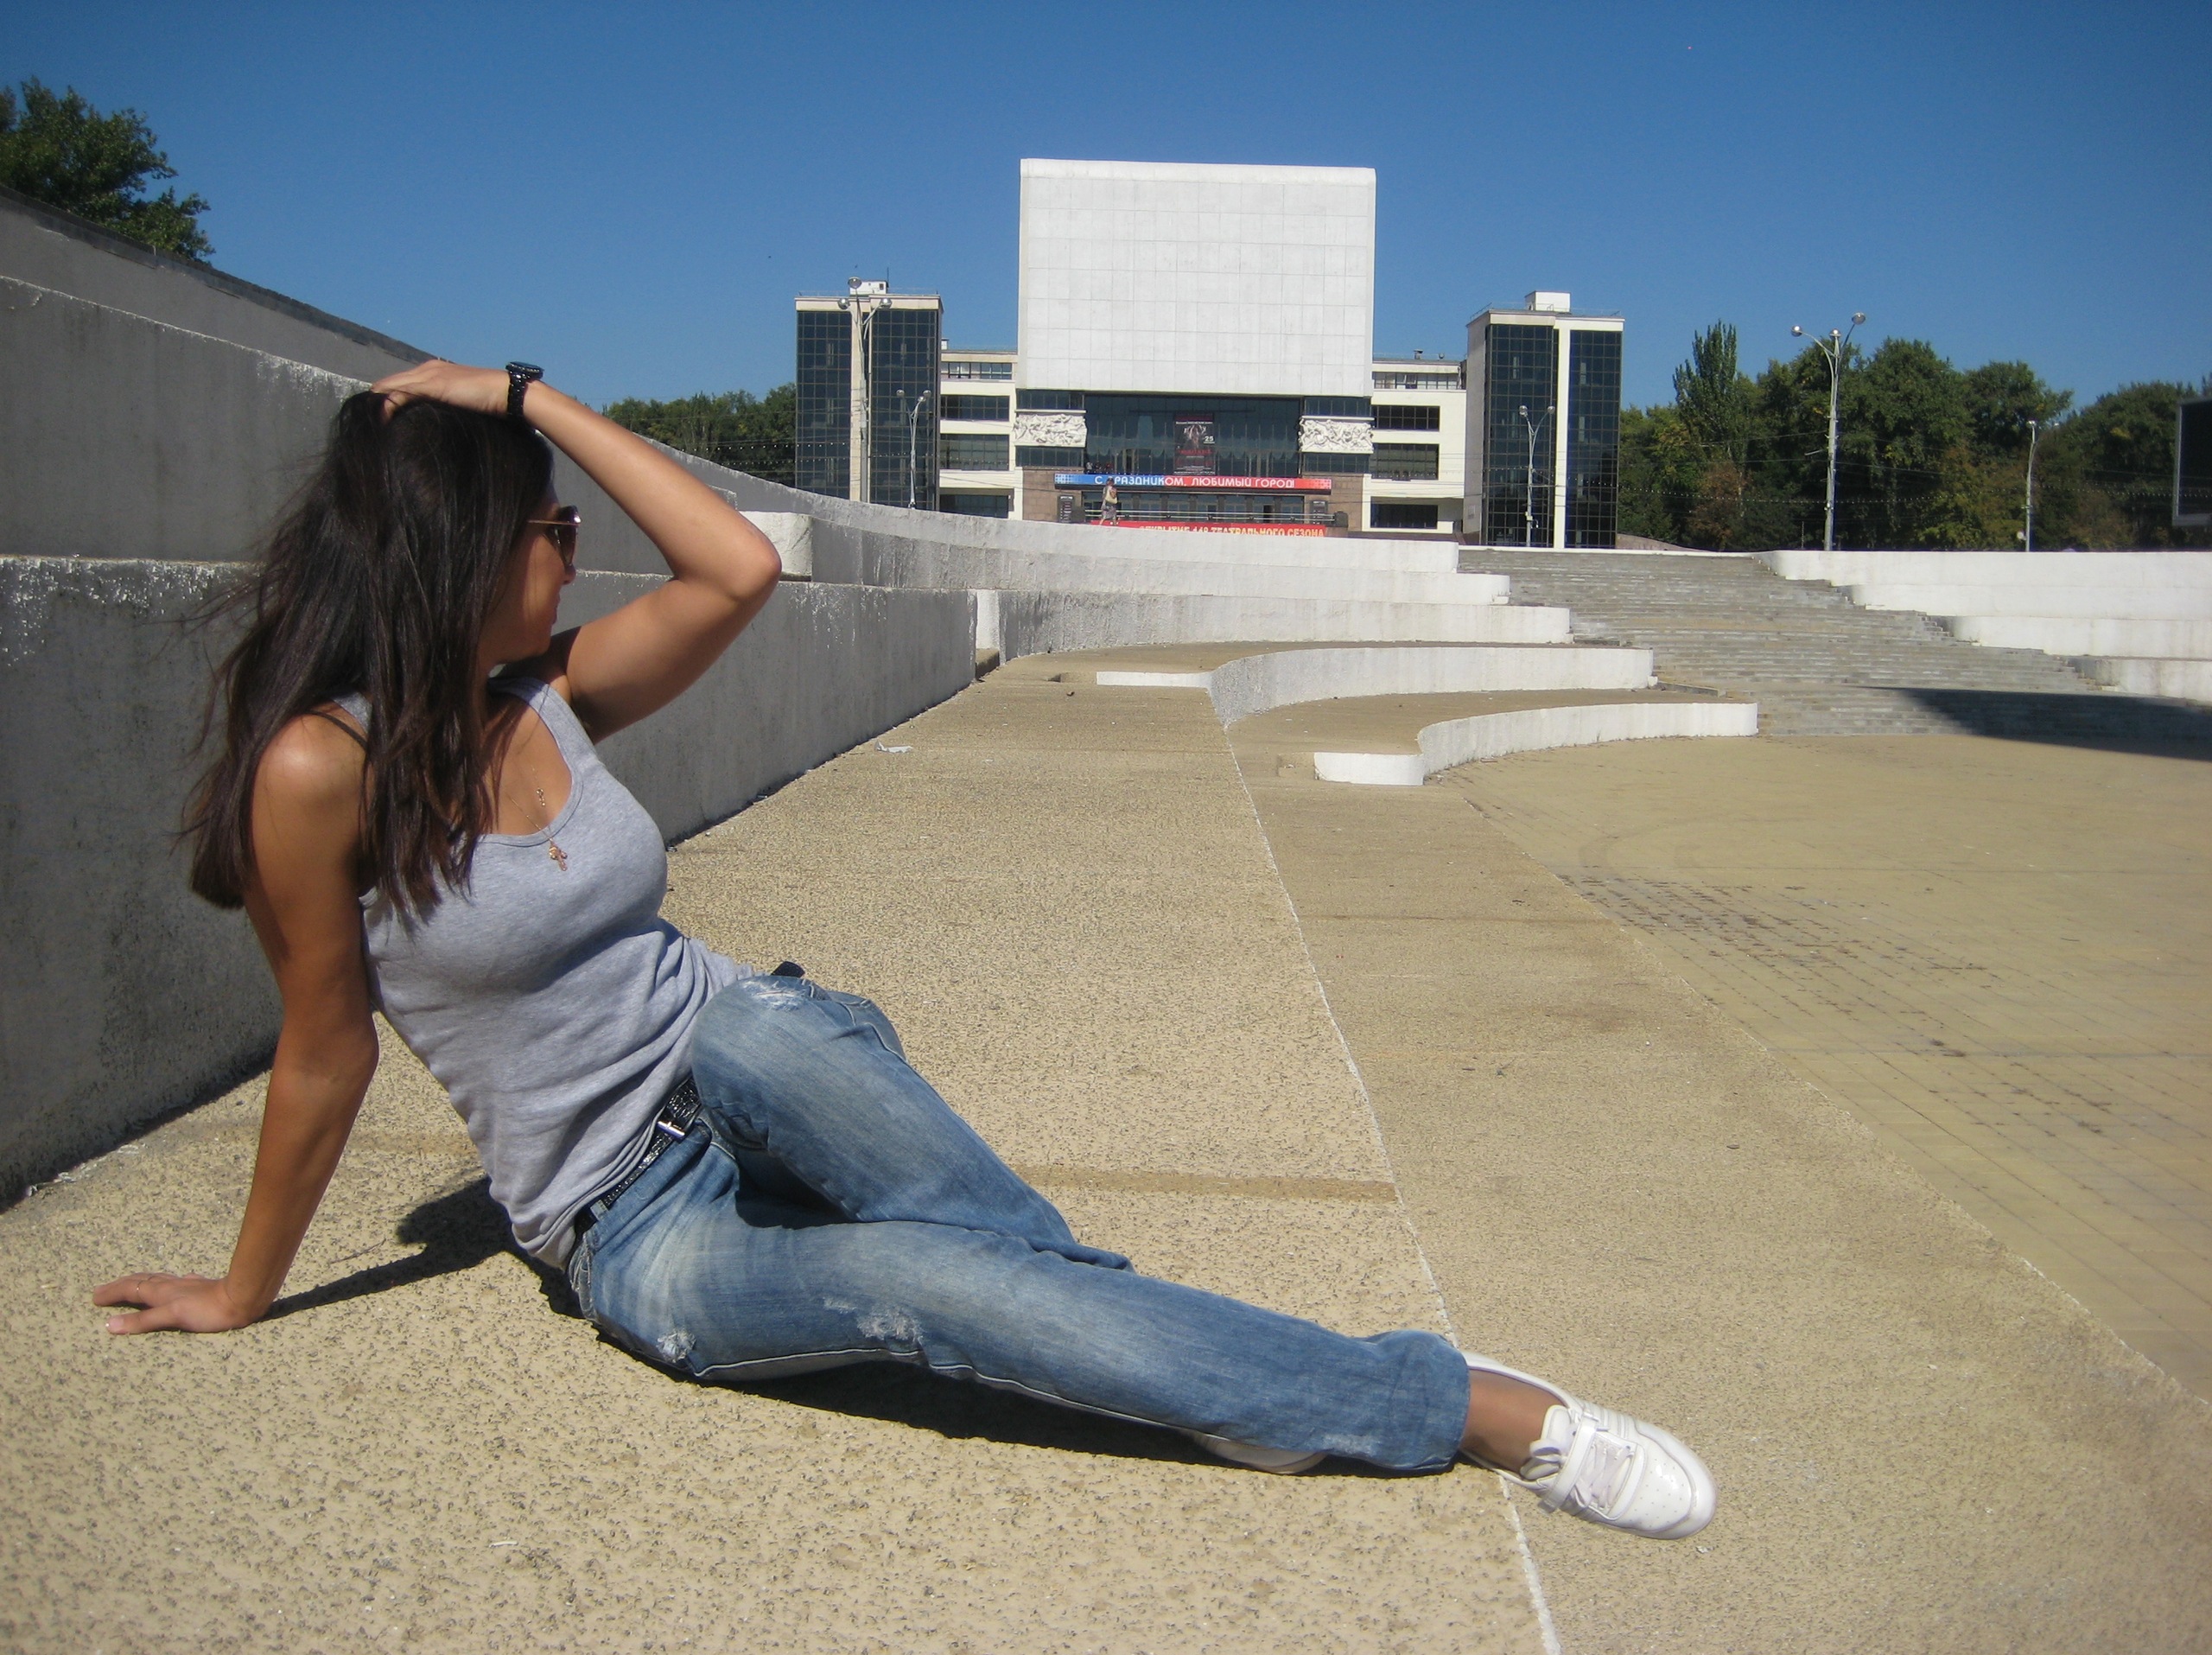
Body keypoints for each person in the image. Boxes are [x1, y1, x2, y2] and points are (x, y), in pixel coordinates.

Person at [95, 360, 1714, 1540]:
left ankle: (1232, 1384)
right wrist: (245, 1289)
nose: (573, 546)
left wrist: (530, 400)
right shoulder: (319, 772)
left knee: (969, 1243)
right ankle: (1458, 1404)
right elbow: (327, 1051)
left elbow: (740, 566)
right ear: (458, 549)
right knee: (956, 1289)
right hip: (626, 1221)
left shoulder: (551, 695)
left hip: (736, 1041)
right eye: (548, 525)